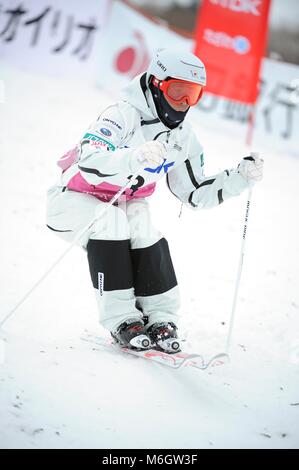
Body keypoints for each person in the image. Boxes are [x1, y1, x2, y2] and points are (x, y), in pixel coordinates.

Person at [46, 49, 263, 353]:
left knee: (141, 222)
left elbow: (195, 192)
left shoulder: (182, 137)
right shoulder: (122, 115)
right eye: (178, 92)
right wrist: (132, 157)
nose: (184, 104)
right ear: (156, 84)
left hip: (124, 204)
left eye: (194, 95)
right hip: (71, 202)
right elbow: (89, 160)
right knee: (113, 220)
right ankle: (122, 319)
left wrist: (239, 177)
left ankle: (161, 317)